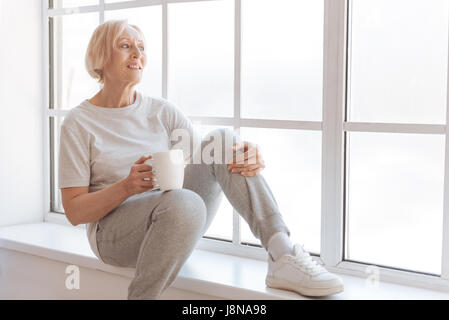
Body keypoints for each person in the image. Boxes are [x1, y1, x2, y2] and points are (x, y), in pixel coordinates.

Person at [58, 19, 344, 300]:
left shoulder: (162, 112)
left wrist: (247, 155)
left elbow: (213, 159)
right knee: (185, 201)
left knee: (222, 140)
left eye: (141, 47)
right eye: (125, 45)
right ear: (100, 57)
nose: (137, 53)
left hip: (177, 219)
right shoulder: (79, 123)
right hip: (113, 236)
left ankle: (282, 253)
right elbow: (74, 211)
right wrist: (126, 187)